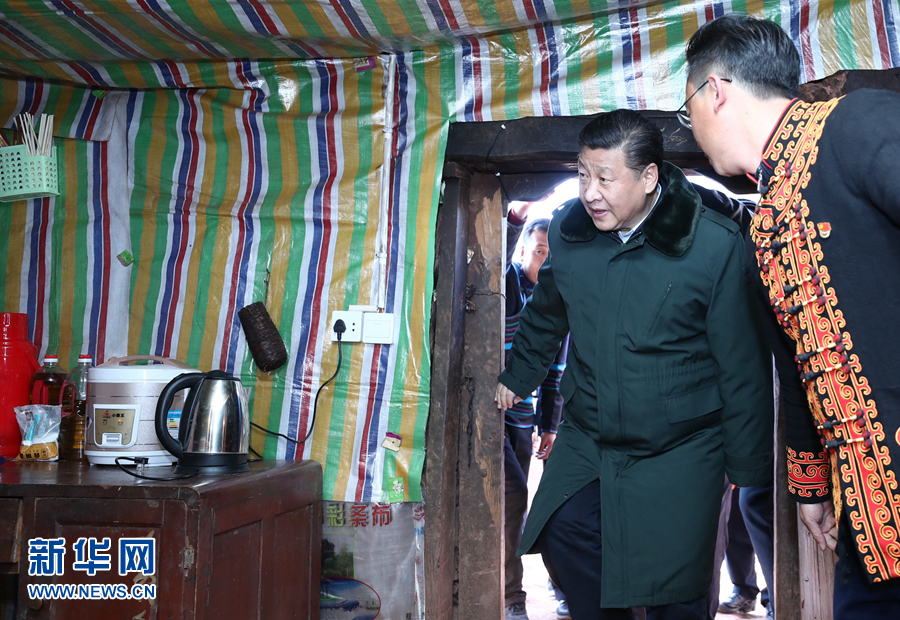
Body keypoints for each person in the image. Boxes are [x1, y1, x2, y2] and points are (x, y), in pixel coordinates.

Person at [495, 109, 774, 619]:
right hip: (591, 430)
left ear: (648, 178)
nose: (590, 192)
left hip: (683, 441)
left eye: (605, 178)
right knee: (563, 530)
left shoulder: (713, 244)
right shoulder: (570, 232)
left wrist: (746, 465)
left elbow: (742, 364)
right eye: (583, 175)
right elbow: (547, 311)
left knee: (678, 584)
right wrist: (519, 374)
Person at [683, 13, 900, 617]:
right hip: (868, 515)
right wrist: (810, 488)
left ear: (714, 91)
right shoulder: (765, 226)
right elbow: (799, 368)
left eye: (686, 110)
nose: (691, 128)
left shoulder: (856, 124)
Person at [503, 208, 569, 620]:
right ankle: (511, 595)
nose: (544, 259)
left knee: (546, 501)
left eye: (550, 253)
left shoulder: (556, 298)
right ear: (523, 249)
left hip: (524, 419)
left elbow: (554, 373)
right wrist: (515, 217)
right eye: (539, 250)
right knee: (512, 496)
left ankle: (560, 586)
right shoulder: (506, 282)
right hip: (490, 413)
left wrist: (549, 425)